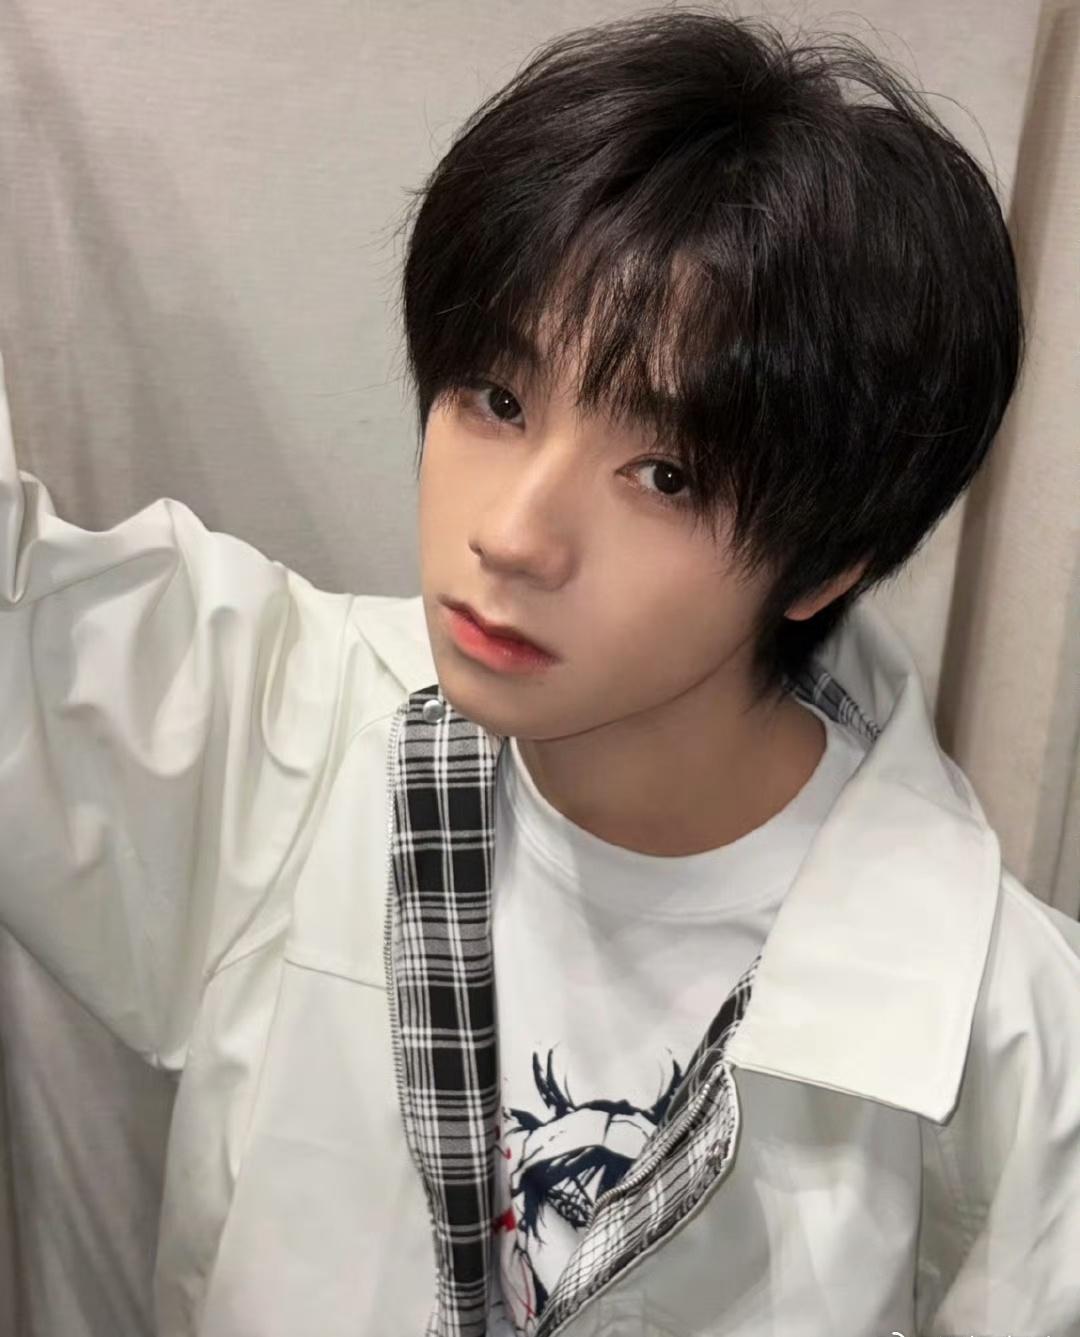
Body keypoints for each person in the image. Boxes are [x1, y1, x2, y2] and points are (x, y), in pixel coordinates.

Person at [1, 7, 1078, 1335]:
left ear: (826, 563)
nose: (512, 535)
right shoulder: (279, 735)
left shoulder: (1007, 1040)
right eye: (497, 400)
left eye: (665, 474)